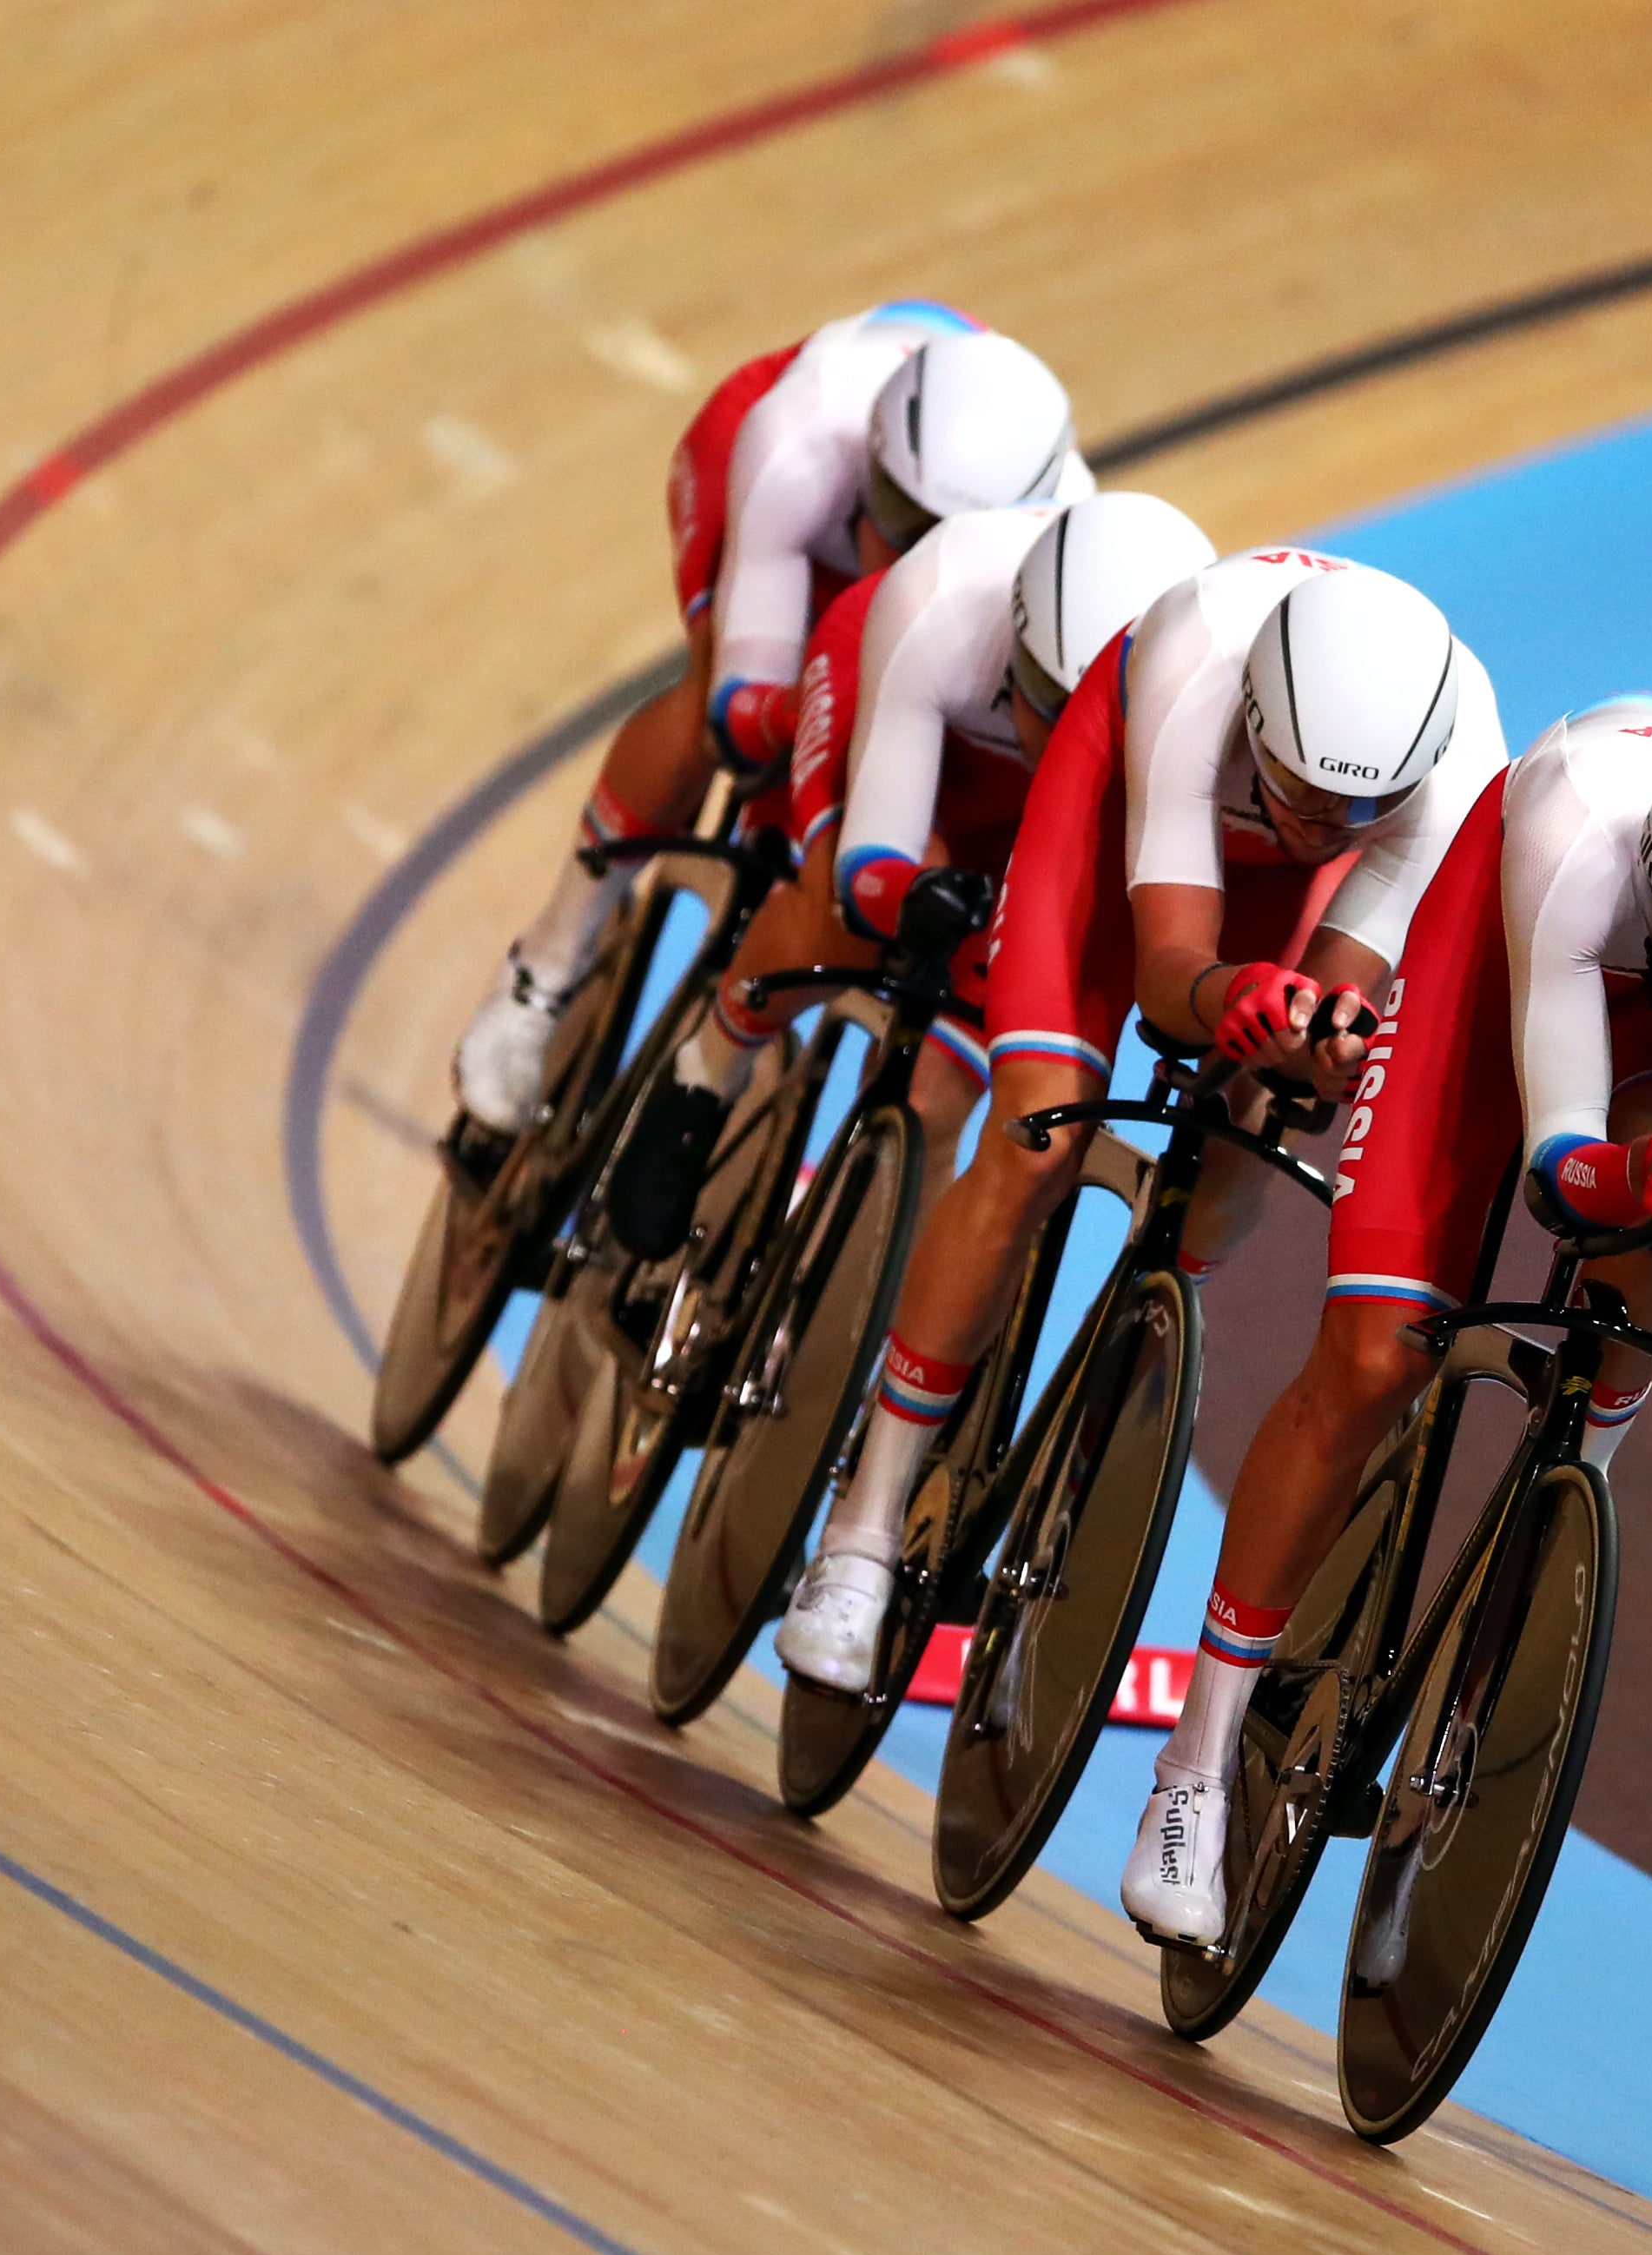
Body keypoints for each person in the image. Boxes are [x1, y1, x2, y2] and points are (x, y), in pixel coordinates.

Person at [1120, 694, 1652, 1943]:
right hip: (1498, 972)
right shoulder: (1575, 836)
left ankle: (1563, 1496)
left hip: (1645, 1016)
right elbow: (1559, 1165)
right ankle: (1194, 1768)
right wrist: (1640, 1179)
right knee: (1375, 1356)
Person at [774, 550, 1510, 1691]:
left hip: (1261, 865)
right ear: (1257, 716)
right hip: (1120, 806)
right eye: (1308, 790)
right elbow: (1171, 973)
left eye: (1360, 809)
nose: (1329, 826)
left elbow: (1330, 988)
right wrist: (1234, 998)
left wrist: (1304, 1033)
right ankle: (861, 1534)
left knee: (1265, 1104)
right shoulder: (1193, 663)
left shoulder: (1460, 771)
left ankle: (1145, 1327)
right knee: (1039, 1135)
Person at [449, 305, 1090, 1149]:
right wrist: (793, 709)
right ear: (874, 463)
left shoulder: (1065, 541)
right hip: (779, 515)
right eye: (895, 510)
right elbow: (742, 707)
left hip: (943, 602)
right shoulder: (801, 439)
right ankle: (545, 965)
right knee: (721, 717)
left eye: (937, 536)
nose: (908, 549)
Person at [598, 490, 1221, 1255]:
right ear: (1018, 645)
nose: (1067, 733)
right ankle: (706, 1069)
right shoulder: (942, 604)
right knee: (842, 922)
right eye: (1049, 702)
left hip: (1023, 815)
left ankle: (840, 1254)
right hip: (892, 719)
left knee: (945, 1091)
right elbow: (873, 863)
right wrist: (910, 895)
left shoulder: (1194, 703)